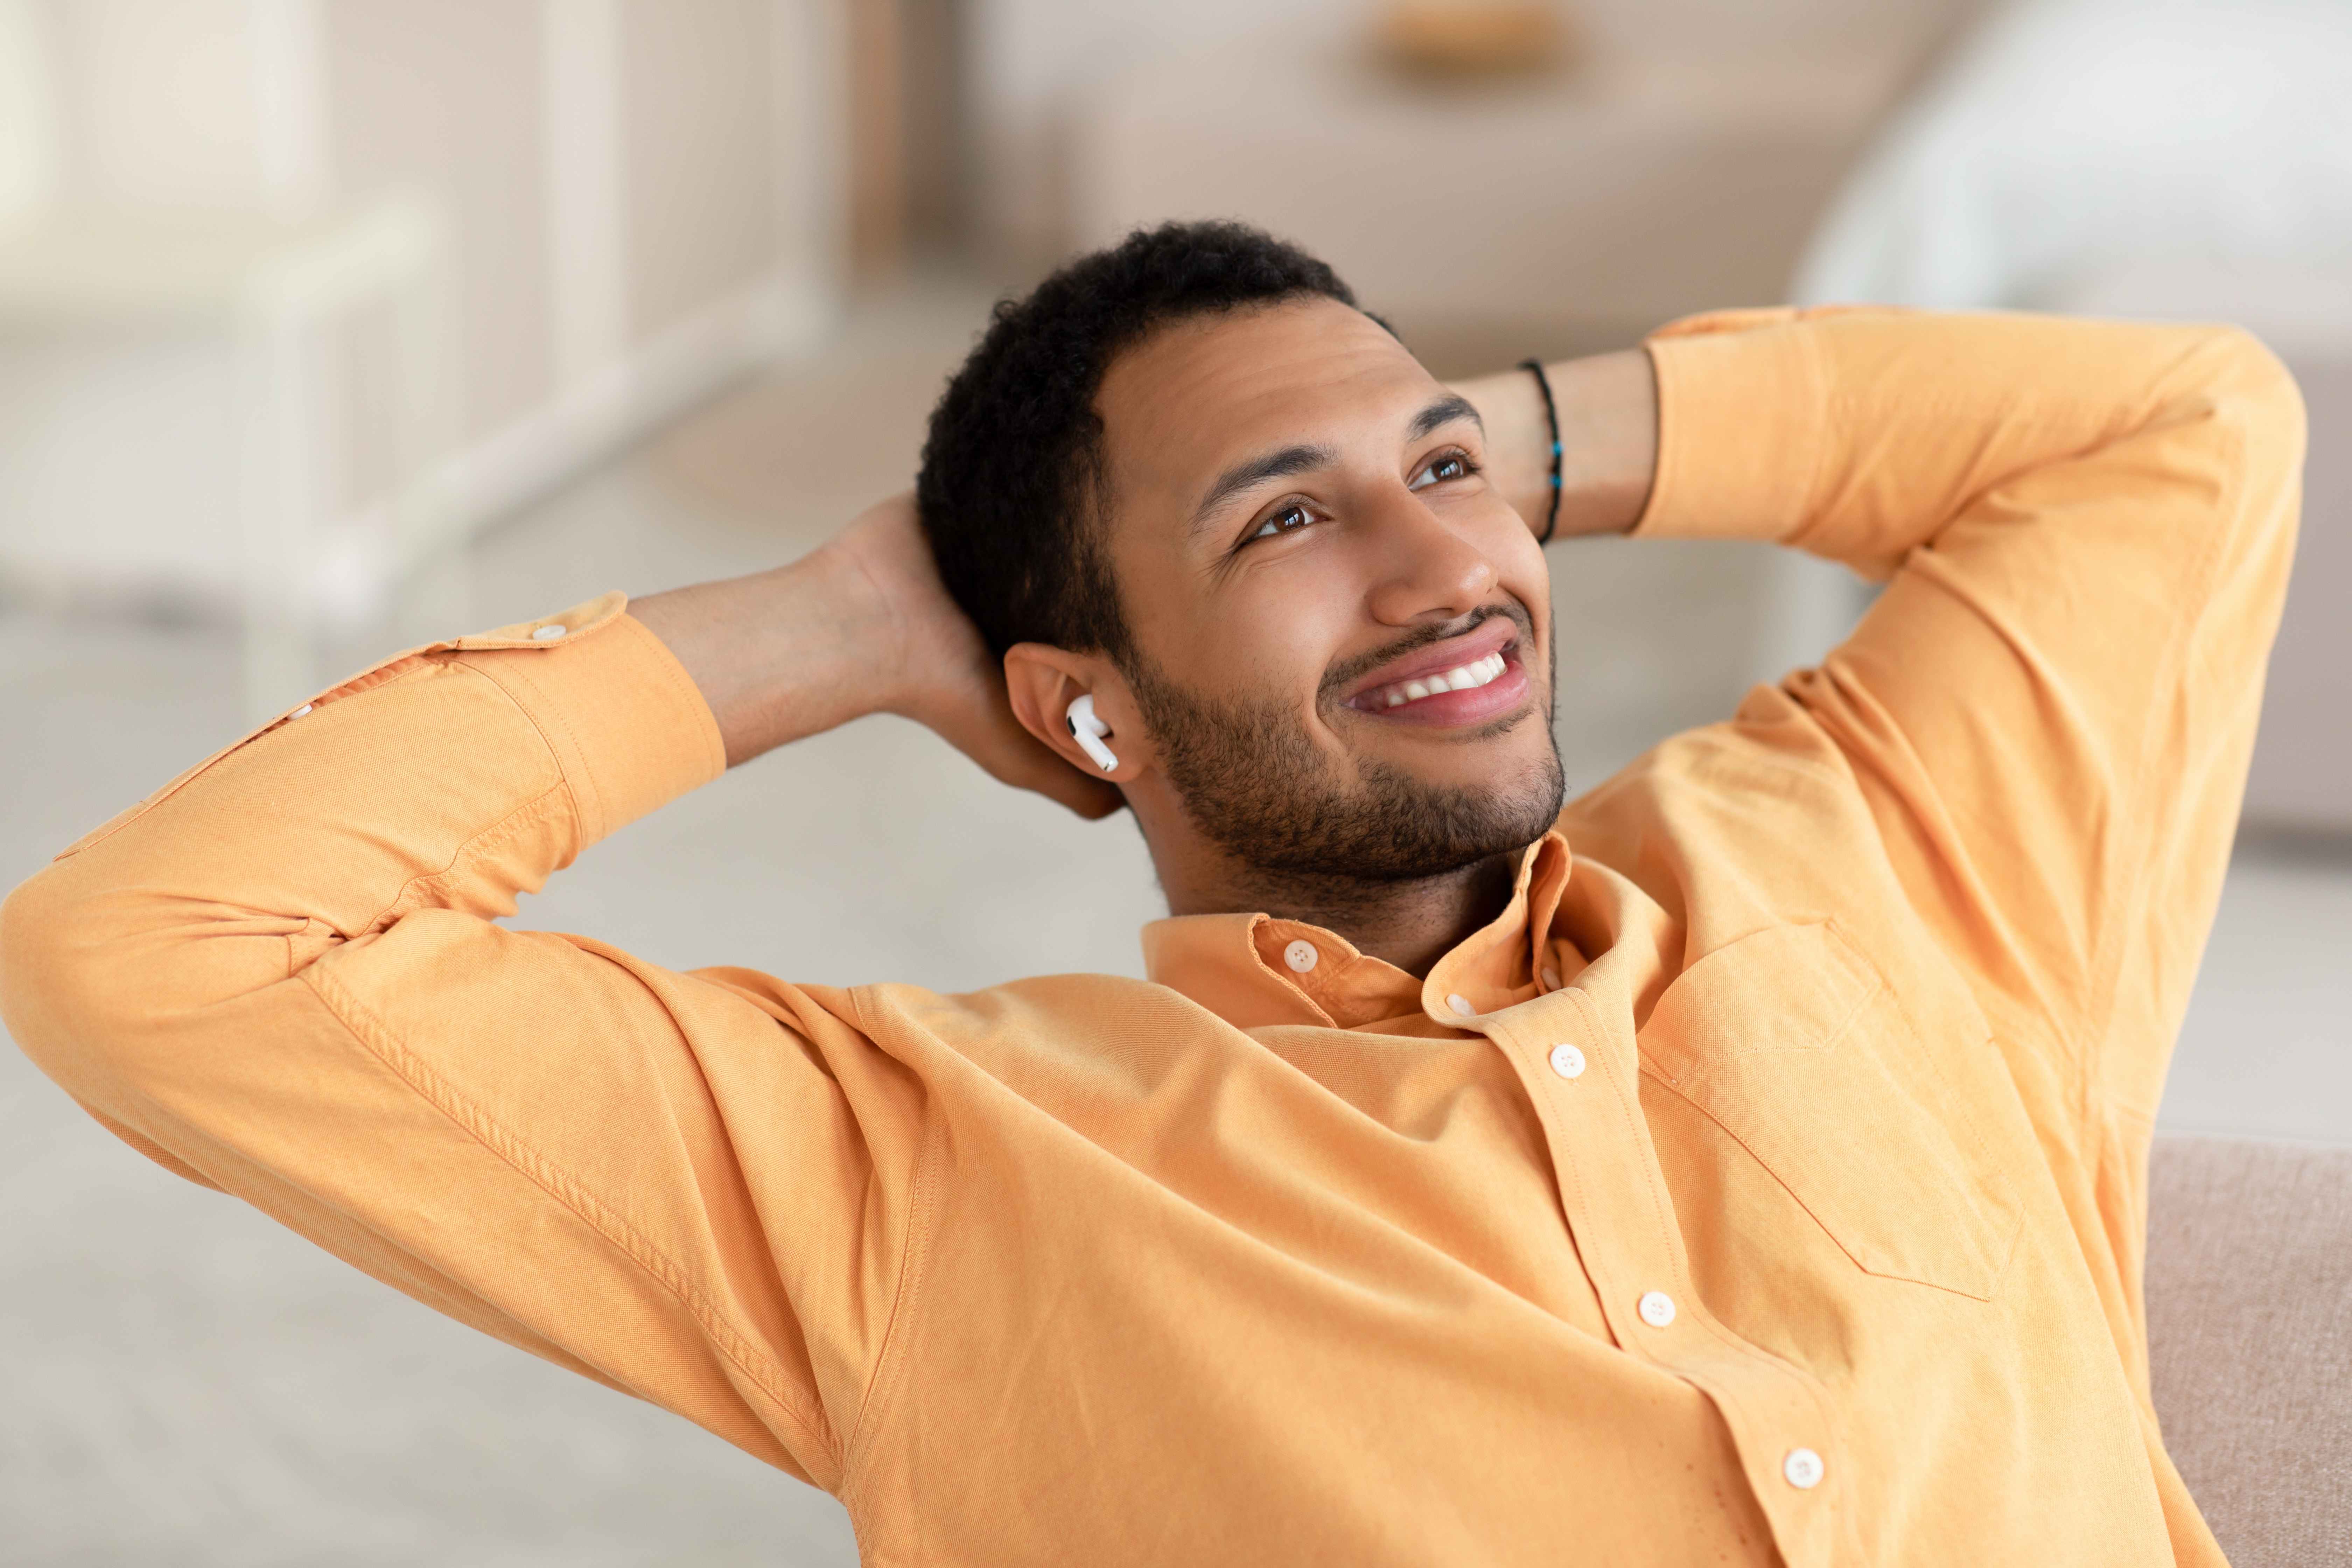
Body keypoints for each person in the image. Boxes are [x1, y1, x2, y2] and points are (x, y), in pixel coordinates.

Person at [0, 222, 2302, 1565]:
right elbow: (162, 948)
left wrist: (1516, 433)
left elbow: (2184, 431)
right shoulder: (927, 1179)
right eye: (1283, 523)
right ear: (1079, 705)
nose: (1445, 572)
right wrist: (835, 624)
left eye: (1446, 474)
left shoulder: (1882, 839)